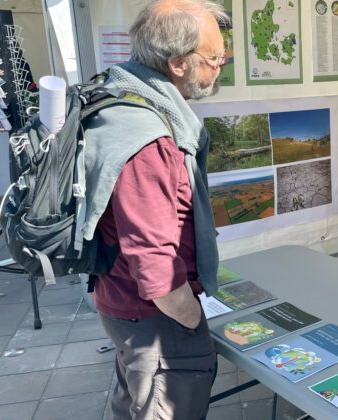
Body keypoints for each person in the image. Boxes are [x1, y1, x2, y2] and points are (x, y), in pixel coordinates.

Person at [81, 1, 226, 418]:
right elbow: (157, 272)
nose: (221, 67)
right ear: (179, 63)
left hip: (121, 299)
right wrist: (193, 322)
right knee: (162, 404)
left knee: (134, 402)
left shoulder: (118, 95)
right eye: (215, 58)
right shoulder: (149, 139)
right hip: (152, 317)